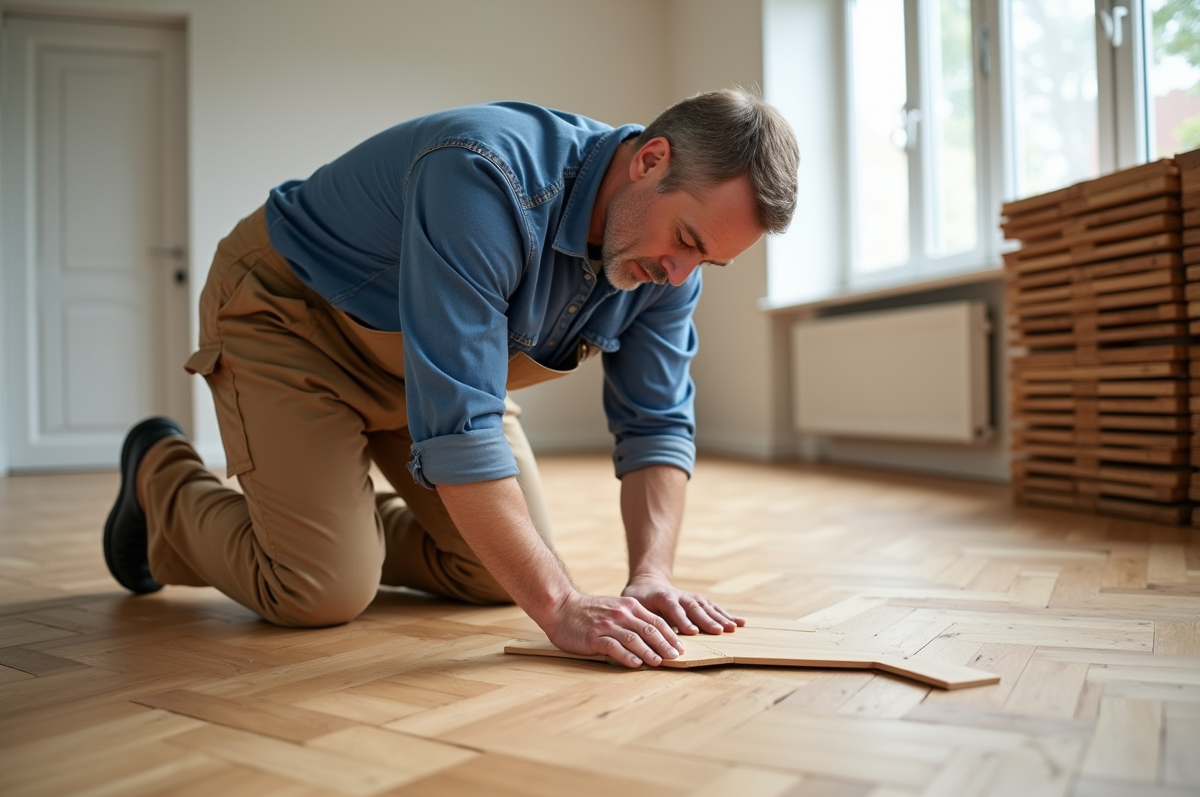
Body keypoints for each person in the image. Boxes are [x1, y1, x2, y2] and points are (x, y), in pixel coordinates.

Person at [103, 89, 799, 669]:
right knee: (318, 591)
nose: (681, 276)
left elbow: (656, 424)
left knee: (492, 575)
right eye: (686, 241)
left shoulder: (667, 268)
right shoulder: (483, 174)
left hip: (424, 370)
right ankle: (159, 477)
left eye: (708, 263)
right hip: (291, 319)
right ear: (651, 160)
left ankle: (327, 521)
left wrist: (651, 575)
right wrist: (558, 609)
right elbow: (462, 426)